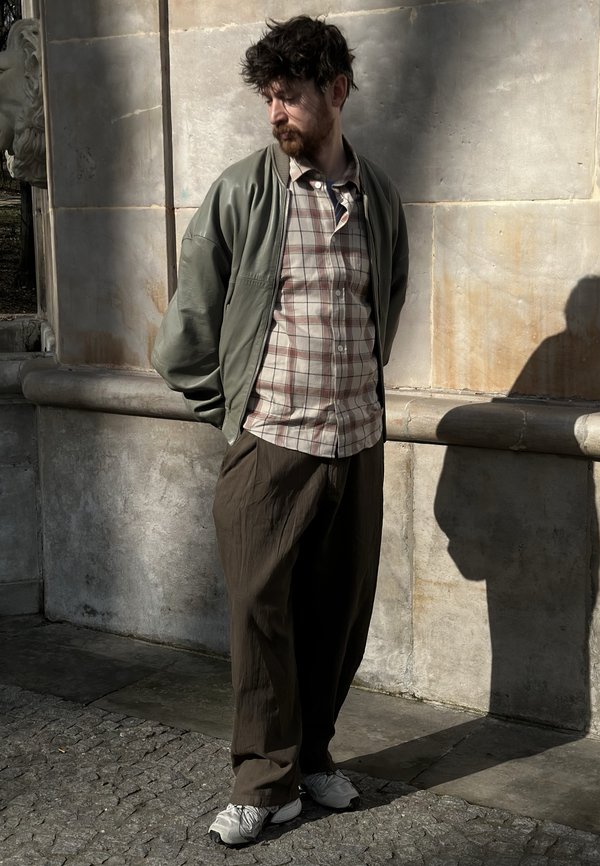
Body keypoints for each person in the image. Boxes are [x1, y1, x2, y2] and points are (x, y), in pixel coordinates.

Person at [152, 15, 409, 847]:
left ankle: (313, 759)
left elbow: (388, 301)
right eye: (268, 96)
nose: (276, 113)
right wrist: (238, 418)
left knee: (338, 616)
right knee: (260, 620)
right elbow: (186, 334)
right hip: (271, 445)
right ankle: (263, 783)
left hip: (357, 445)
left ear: (336, 90)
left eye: (290, 95)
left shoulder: (380, 197)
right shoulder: (242, 193)